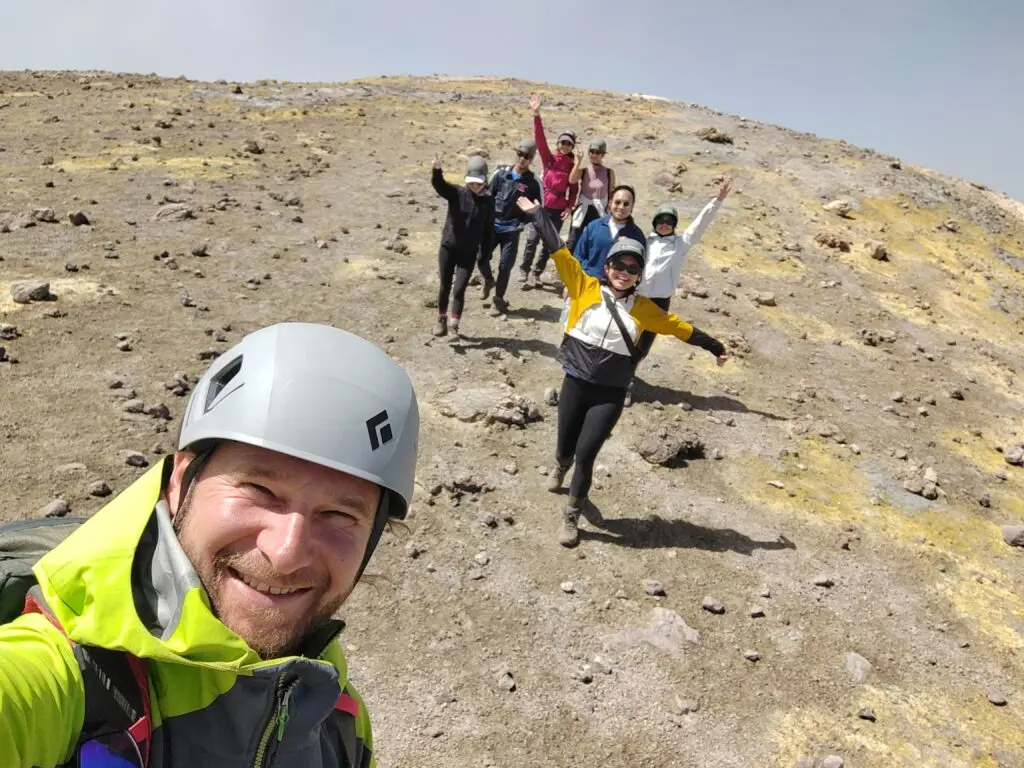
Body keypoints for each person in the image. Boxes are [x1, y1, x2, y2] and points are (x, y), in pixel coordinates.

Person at [0, 322, 420, 768]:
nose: (286, 553)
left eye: (339, 515)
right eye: (259, 489)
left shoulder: (338, 717)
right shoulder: (66, 677)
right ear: (181, 482)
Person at [516, 197, 729, 548]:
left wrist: (716, 347)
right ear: (608, 265)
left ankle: (571, 515)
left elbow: (680, 328)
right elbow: (557, 249)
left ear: (639, 275)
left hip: (610, 393)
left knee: (587, 454)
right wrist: (537, 214)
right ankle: (559, 465)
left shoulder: (645, 309)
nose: (624, 272)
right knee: (566, 446)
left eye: (633, 268)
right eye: (619, 265)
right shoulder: (583, 285)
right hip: (575, 382)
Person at [630, 177, 732, 404]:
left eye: (669, 221)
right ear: (654, 221)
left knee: (643, 347)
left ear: (674, 223)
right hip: (637, 299)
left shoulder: (681, 244)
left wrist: (717, 201)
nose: (664, 224)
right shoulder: (644, 242)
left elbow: (700, 224)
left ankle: (626, 379)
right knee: (624, 340)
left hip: (659, 303)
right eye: (660, 220)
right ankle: (619, 380)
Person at [431, 153, 495, 338]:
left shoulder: (488, 202)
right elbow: (440, 186)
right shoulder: (457, 194)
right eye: (472, 182)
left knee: (459, 289)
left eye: (479, 183)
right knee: (445, 286)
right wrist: (437, 170)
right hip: (448, 249)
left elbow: (488, 231)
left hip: (468, 254)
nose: (475, 186)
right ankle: (441, 320)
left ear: (485, 181)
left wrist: (485, 255)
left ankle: (454, 325)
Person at [477, 138, 542, 316]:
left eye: (526, 156)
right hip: (492, 228)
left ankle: (498, 301)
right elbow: (487, 196)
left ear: (532, 159)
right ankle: (488, 280)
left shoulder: (533, 182)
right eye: (520, 154)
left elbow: (537, 207)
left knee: (505, 266)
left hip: (512, 231)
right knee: (481, 258)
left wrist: (523, 222)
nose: (522, 159)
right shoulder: (500, 174)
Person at [518, 94, 578, 287]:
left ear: (572, 147)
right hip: (542, 205)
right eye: (563, 142)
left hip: (558, 210)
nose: (565, 146)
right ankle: (524, 270)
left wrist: (569, 207)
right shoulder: (549, 159)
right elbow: (540, 140)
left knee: (548, 245)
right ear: (558, 144)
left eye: (569, 144)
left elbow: (574, 188)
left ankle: (537, 273)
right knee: (532, 238)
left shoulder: (573, 166)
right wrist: (536, 115)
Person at [572, 184, 647, 279]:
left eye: (626, 204)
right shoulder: (594, 226)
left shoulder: (637, 236)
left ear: (632, 207)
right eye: (617, 202)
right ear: (610, 203)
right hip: (589, 283)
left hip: (618, 289)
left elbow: (639, 267)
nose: (621, 207)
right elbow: (578, 256)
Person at [566, 139, 616, 253]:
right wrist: (578, 162)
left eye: (597, 152)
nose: (594, 155)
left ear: (602, 154)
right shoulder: (583, 171)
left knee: (594, 242)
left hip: (599, 211)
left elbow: (612, 191)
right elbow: (572, 180)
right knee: (573, 240)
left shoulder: (609, 172)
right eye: (592, 151)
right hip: (583, 209)